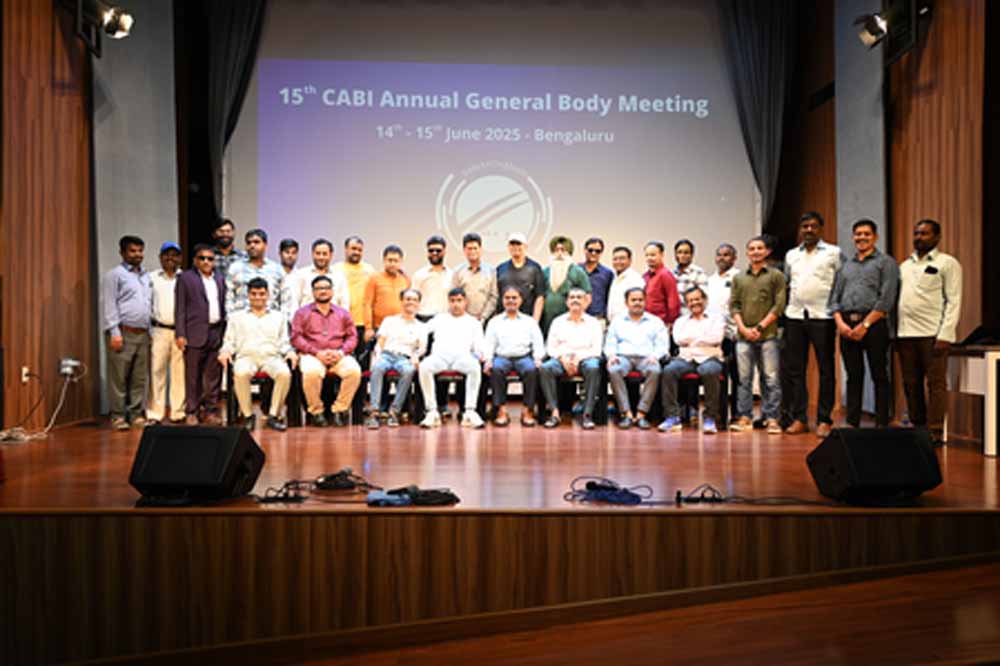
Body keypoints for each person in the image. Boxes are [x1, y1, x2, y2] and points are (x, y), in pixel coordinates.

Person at [829, 219, 900, 428]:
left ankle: (881, 424)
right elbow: (834, 299)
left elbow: (886, 299)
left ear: (875, 237)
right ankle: (852, 423)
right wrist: (840, 324)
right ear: (853, 237)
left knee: (879, 375)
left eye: (866, 234)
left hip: (874, 324)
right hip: (846, 326)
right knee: (853, 376)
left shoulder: (886, 263)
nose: (862, 237)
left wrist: (865, 325)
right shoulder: (846, 266)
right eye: (858, 234)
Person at [896, 219, 961, 445]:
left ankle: (934, 432)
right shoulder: (905, 266)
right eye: (916, 233)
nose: (919, 237)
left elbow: (954, 300)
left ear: (937, 237)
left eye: (924, 233)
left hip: (933, 335)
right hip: (905, 334)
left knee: (935, 385)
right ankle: (918, 427)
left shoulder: (947, 263)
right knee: (910, 384)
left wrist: (946, 334)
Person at [783, 212, 844, 437]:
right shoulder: (791, 255)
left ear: (821, 229)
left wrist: (836, 309)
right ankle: (800, 418)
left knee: (826, 369)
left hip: (823, 316)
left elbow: (841, 283)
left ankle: (824, 420)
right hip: (795, 316)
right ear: (800, 229)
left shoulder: (834, 253)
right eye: (805, 226)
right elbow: (788, 282)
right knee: (796, 370)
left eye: (814, 226)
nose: (809, 230)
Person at [218, 278, 297, 431]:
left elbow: (284, 342)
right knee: (240, 373)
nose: (258, 297)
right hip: (246, 357)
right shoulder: (236, 317)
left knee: (284, 373)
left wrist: (290, 352)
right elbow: (229, 341)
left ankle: (273, 415)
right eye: (254, 294)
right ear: (248, 295)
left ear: (267, 295)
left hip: (271, 357)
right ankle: (248, 415)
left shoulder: (279, 317)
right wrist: (225, 352)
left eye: (261, 294)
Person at [729, 236, 786, 434]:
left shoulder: (776, 276)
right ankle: (745, 417)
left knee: (771, 379)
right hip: (743, 337)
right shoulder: (739, 278)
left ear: (767, 251)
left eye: (759, 248)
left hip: (768, 335)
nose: (756, 252)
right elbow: (734, 305)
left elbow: (779, 305)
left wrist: (760, 327)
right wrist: (744, 329)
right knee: (744, 379)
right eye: (752, 249)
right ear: (747, 253)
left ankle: (772, 418)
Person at [291, 275, 361, 427]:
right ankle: (316, 412)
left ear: (332, 291)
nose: (323, 291)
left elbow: (352, 337)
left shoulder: (343, 313)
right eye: (319, 288)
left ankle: (339, 409)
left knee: (354, 372)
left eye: (326, 288)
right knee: (311, 373)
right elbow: (296, 337)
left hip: (338, 354)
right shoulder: (302, 313)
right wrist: (316, 353)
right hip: (312, 354)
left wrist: (341, 352)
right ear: (313, 292)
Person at [102, 235, 153, 430]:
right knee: (119, 377)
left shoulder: (145, 276)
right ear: (122, 252)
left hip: (143, 333)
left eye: (140, 251)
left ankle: (136, 414)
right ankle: (118, 416)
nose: (137, 254)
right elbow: (109, 305)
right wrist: (114, 332)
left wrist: (149, 332)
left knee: (139, 378)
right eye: (132, 251)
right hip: (123, 332)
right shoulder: (114, 275)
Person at [659, 287, 726, 434]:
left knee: (710, 371)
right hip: (686, 359)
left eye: (697, 299)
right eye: (690, 300)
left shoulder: (716, 319)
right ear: (687, 304)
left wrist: (691, 340)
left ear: (705, 300)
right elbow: (678, 339)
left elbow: (716, 338)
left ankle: (710, 418)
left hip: (710, 357)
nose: (694, 302)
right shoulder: (680, 321)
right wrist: (703, 338)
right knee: (669, 371)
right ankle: (672, 417)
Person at [419, 288, 486, 429]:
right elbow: (422, 330)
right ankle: (432, 411)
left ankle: (470, 411)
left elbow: (479, 345)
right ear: (448, 302)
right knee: (424, 367)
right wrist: (421, 350)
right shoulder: (439, 319)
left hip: (462, 358)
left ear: (465, 302)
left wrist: (479, 354)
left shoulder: (473, 322)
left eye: (459, 300)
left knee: (475, 367)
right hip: (440, 358)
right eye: (452, 301)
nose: (456, 304)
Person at [175, 243, 227, 425]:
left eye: (210, 259)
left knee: (213, 377)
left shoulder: (219, 278)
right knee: (193, 376)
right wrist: (180, 333)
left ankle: (211, 411)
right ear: (195, 260)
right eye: (202, 258)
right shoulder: (185, 278)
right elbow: (180, 308)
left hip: (216, 332)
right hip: (194, 333)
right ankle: (192, 411)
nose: (206, 262)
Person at [605, 287, 669, 430]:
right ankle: (626, 413)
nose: (637, 303)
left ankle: (641, 414)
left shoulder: (655, 321)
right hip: (623, 357)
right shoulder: (617, 321)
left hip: (647, 358)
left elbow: (662, 344)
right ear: (626, 303)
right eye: (633, 300)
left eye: (640, 300)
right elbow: (610, 342)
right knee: (613, 369)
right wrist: (611, 355)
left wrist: (655, 356)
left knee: (655, 370)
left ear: (645, 301)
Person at [540, 287, 603, 430]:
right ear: (567, 302)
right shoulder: (558, 321)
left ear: (586, 302)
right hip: (562, 359)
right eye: (572, 297)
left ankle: (587, 414)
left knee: (593, 367)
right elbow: (550, 347)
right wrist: (563, 359)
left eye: (579, 297)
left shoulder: (593, 323)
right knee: (545, 368)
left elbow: (596, 350)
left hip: (585, 359)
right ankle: (554, 412)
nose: (575, 300)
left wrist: (578, 359)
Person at [365, 288, 428, 429]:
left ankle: (394, 411)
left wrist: (416, 357)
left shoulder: (422, 327)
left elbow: (422, 348)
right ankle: (374, 412)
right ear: (401, 301)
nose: (411, 302)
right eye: (407, 299)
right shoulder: (389, 321)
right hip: (386, 355)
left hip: (405, 358)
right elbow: (381, 341)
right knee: (377, 368)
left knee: (409, 370)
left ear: (419, 303)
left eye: (414, 299)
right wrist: (377, 355)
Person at [483, 287, 545, 427]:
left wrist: (538, 358)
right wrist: (488, 360)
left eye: (514, 297)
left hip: (523, 357)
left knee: (531, 370)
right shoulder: (495, 322)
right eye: (507, 298)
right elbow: (489, 343)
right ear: (502, 300)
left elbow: (538, 342)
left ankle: (527, 411)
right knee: (496, 369)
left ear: (520, 300)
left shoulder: (529, 321)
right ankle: (501, 411)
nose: (511, 300)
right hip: (502, 357)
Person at [146, 241, 185, 425]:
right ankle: (155, 413)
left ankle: (178, 412)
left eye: (174, 255)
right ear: (160, 258)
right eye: (166, 255)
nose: (170, 258)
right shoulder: (151, 278)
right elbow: (146, 304)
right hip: (159, 330)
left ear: (180, 258)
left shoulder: (185, 278)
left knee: (179, 374)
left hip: (180, 332)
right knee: (156, 372)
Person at [331, 235, 377, 356]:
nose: (356, 252)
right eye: (353, 248)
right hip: (342, 323)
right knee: (344, 357)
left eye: (359, 250)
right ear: (346, 249)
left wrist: (370, 326)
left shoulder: (369, 270)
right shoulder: (335, 269)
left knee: (363, 359)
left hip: (363, 323)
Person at [225, 228, 287, 316]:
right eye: (249, 243)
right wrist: (231, 317)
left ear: (265, 245)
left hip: (270, 319)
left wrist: (283, 319)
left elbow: (286, 298)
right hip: (242, 318)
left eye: (256, 242)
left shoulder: (277, 269)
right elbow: (229, 296)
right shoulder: (236, 268)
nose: (252, 246)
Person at [541, 236, 591, 334]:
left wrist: (578, 316)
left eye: (563, 250)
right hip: (546, 321)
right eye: (556, 250)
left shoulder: (578, 272)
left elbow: (587, 297)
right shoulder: (545, 272)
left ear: (569, 253)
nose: (559, 254)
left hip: (570, 322)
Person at [363, 244, 411, 345]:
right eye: (390, 260)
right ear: (384, 260)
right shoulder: (374, 279)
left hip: (401, 328)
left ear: (401, 262)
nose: (392, 264)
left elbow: (409, 304)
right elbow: (367, 304)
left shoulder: (406, 280)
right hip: (379, 328)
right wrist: (368, 328)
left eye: (396, 261)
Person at [289, 238, 349, 313]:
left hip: (333, 319)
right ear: (312, 254)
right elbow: (294, 302)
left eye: (324, 254)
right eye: (318, 253)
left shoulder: (339, 276)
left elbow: (344, 303)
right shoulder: (301, 275)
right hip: (307, 319)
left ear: (331, 255)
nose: (321, 257)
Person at [496, 232, 546, 321]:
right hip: (504, 320)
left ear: (525, 246)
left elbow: (540, 297)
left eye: (518, 244)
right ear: (508, 247)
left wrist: (534, 322)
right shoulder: (501, 268)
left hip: (527, 320)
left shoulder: (534, 268)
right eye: (512, 244)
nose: (515, 247)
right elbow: (496, 296)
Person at [451, 232, 498, 323]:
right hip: (463, 320)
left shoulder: (491, 271)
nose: (472, 251)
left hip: (486, 320)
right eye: (469, 248)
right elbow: (454, 297)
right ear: (464, 250)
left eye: (475, 248)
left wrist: (483, 316)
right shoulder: (457, 271)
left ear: (480, 249)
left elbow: (493, 296)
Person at [412, 235, 453, 322]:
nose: (434, 253)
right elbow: (413, 299)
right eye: (431, 250)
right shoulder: (419, 275)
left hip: (445, 319)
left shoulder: (452, 275)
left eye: (438, 250)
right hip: (423, 319)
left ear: (444, 251)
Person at [706, 243, 740, 347]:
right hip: (713, 332)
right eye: (719, 255)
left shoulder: (739, 278)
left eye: (726, 255)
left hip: (732, 332)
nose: (721, 258)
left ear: (734, 258)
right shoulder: (710, 280)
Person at [642, 241, 681, 329]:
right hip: (646, 322)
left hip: (661, 323)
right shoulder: (645, 276)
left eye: (653, 255)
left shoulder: (665, 275)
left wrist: (671, 321)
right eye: (647, 255)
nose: (649, 258)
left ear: (662, 255)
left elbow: (673, 301)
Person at [607, 245, 645, 324]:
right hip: (614, 323)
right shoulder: (615, 277)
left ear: (630, 260)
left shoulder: (635, 279)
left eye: (622, 258)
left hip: (629, 323)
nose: (618, 261)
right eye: (615, 259)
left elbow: (637, 305)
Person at [580, 237, 613, 323]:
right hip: (577, 317)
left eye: (597, 251)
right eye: (590, 250)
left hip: (598, 319)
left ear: (601, 253)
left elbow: (609, 297)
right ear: (584, 250)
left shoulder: (607, 273)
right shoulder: (576, 270)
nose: (593, 253)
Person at [672, 239, 708, 315]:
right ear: (675, 254)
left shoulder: (698, 272)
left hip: (691, 316)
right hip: (674, 317)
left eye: (686, 253)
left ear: (691, 255)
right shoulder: (671, 274)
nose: (682, 255)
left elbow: (703, 298)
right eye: (679, 252)